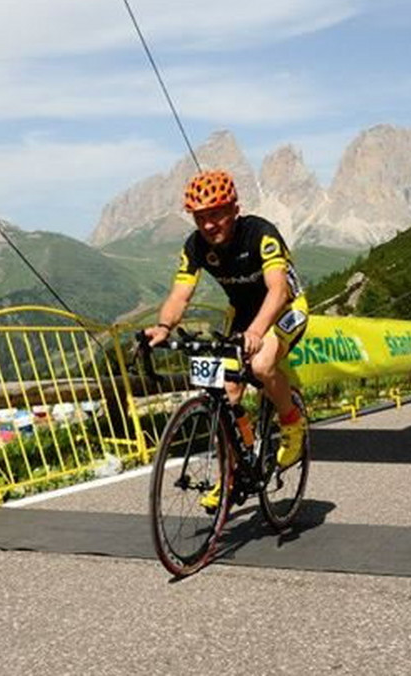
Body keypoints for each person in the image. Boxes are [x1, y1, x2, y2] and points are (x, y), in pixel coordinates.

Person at [143, 169, 309, 509]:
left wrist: (256, 333)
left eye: (216, 214)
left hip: (285, 308)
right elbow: (180, 296)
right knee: (226, 393)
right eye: (200, 217)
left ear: (234, 209)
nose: (208, 225)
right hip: (243, 312)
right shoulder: (195, 246)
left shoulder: (260, 234)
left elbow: (277, 291)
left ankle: (292, 423)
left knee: (261, 365)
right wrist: (163, 327)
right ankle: (234, 470)